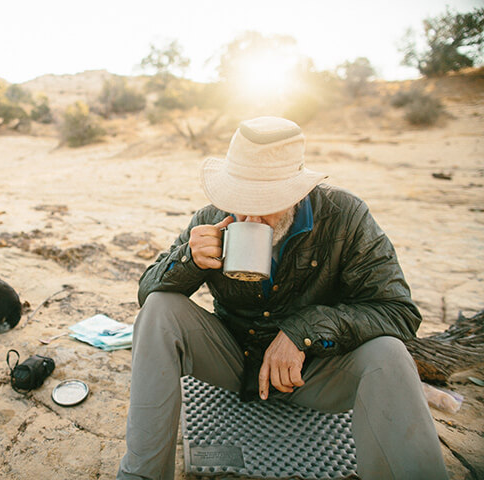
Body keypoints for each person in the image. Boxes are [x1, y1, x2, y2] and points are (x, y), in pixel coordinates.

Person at [117, 116, 448, 480]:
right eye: (240, 198)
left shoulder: (347, 217)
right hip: (235, 360)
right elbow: (147, 293)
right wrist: (188, 261)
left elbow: (398, 313)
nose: (250, 214)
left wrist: (302, 332)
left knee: (389, 353)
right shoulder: (212, 220)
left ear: (298, 192)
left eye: (267, 201)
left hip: (315, 373)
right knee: (160, 310)